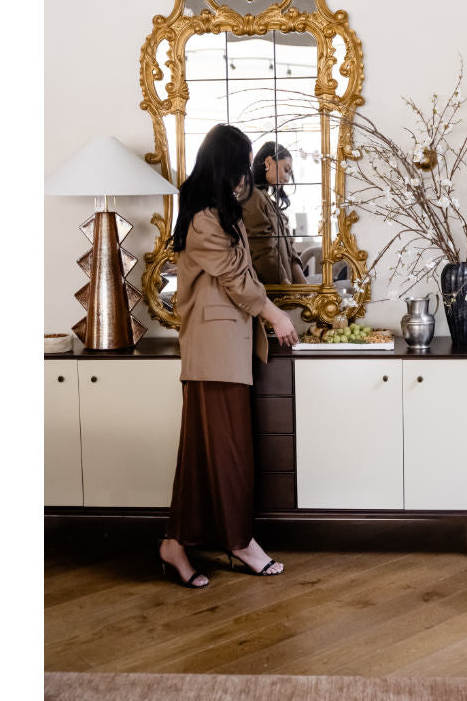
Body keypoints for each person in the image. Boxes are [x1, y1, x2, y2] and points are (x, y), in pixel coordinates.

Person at [158, 124, 300, 588]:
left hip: (226, 350)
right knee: (228, 454)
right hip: (212, 351)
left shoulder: (224, 213)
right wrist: (276, 316)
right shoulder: (203, 219)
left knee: (208, 455)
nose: (246, 175)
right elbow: (239, 283)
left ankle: (175, 545)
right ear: (229, 165)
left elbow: (246, 274)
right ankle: (239, 542)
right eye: (242, 164)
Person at [242, 142, 308, 285]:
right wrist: (286, 287)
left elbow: (290, 251)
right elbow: (264, 252)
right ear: (268, 162)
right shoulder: (253, 196)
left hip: (283, 290)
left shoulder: (267, 200)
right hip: (270, 293)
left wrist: (304, 288)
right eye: (286, 169)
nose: (287, 179)